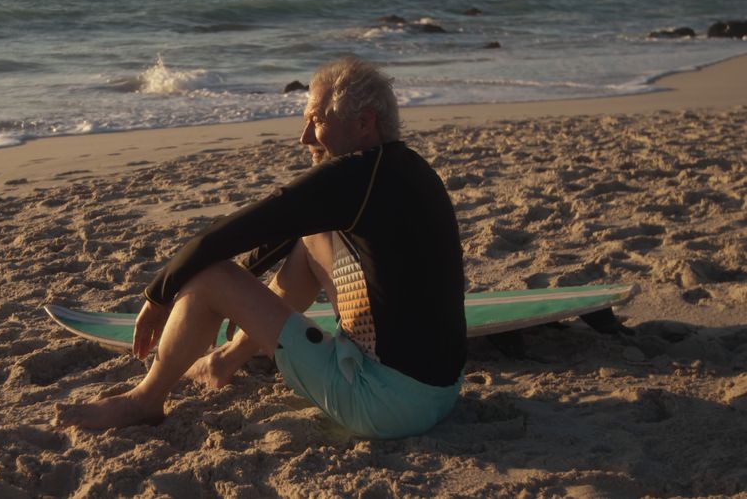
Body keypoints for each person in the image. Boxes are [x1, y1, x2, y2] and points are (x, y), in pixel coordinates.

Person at [54, 57, 466, 438]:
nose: (305, 135)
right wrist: (244, 292)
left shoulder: (353, 177)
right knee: (309, 241)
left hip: (385, 405)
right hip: (440, 394)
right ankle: (225, 360)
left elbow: (224, 236)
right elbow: (286, 230)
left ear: (364, 123)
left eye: (317, 121)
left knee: (211, 274)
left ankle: (142, 401)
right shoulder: (405, 167)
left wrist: (159, 294)